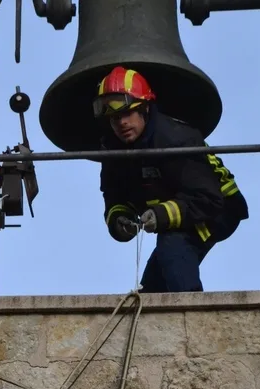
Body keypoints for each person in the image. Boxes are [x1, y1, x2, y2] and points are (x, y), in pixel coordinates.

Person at [94, 66, 249, 293]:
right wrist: (120, 219)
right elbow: (114, 195)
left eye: (127, 113)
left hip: (220, 208)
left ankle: (190, 315)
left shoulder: (176, 139)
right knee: (154, 285)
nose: (121, 123)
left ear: (144, 109)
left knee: (173, 245)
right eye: (114, 118)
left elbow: (208, 198)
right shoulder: (112, 150)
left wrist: (161, 214)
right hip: (185, 208)